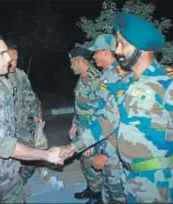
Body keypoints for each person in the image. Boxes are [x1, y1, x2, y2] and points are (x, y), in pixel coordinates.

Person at [0, 33, 63, 203]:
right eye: (2, 54)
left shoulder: (3, 84)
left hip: (11, 173)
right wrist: (45, 155)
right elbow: (4, 145)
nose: (9, 58)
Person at [112, 12, 173, 203]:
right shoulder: (127, 82)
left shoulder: (171, 83)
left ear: (143, 50)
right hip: (130, 179)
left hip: (159, 184)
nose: (117, 50)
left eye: (122, 44)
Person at [87, 34, 127, 203]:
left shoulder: (118, 77)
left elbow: (120, 120)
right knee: (109, 191)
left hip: (114, 152)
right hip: (104, 143)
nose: (94, 56)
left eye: (96, 52)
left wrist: (105, 153)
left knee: (117, 194)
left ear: (106, 52)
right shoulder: (106, 75)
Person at [7, 44, 45, 196]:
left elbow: (29, 95)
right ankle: (13, 190)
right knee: (8, 165)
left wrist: (35, 114)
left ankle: (20, 182)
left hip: (22, 127)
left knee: (30, 161)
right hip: (3, 131)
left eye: (16, 60)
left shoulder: (20, 75)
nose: (14, 64)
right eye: (11, 60)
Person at [68, 47, 103, 204]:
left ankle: (98, 197)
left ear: (77, 61)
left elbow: (100, 112)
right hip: (82, 128)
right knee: (85, 162)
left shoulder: (95, 79)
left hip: (93, 131)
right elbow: (80, 106)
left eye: (71, 63)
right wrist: (74, 125)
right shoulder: (82, 78)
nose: (70, 67)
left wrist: (91, 140)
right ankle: (91, 189)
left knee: (93, 163)